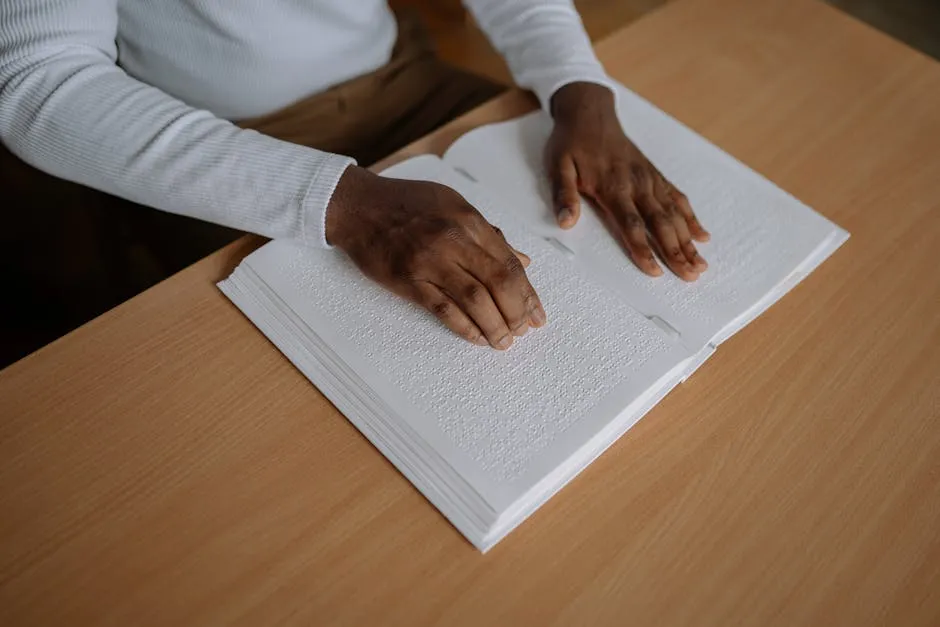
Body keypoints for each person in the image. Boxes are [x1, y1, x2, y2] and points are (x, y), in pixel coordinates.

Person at [0, 0, 710, 359]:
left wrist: (579, 85)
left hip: (401, 73)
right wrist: (346, 204)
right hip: (214, 132)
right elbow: (36, 78)